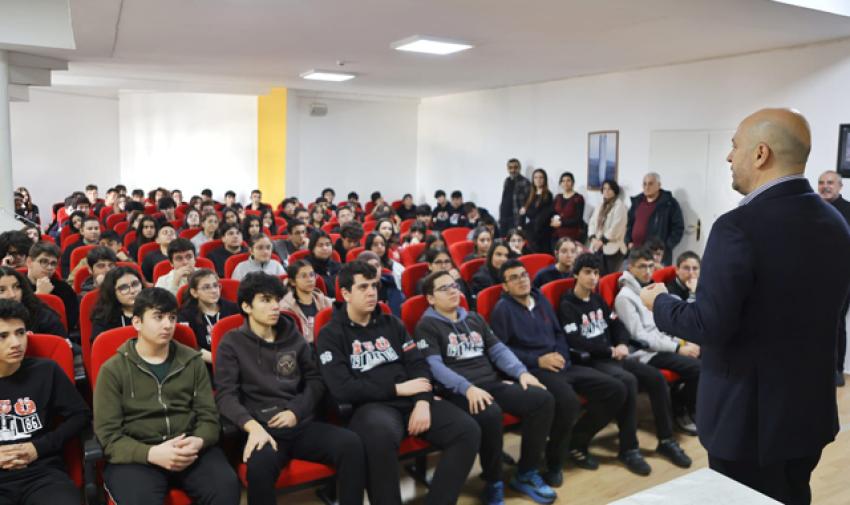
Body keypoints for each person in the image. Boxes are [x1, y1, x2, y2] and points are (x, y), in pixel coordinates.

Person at [641, 108, 850, 505]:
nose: (728, 156)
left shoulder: (738, 227)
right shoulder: (836, 223)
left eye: (734, 146)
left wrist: (659, 302)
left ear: (760, 154)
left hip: (749, 421)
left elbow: (709, 325)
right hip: (808, 412)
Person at [316, 260, 481, 505]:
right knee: (379, 439)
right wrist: (397, 389)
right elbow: (343, 388)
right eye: (363, 287)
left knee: (467, 430)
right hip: (370, 407)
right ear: (346, 294)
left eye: (374, 286)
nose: (372, 292)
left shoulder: (391, 323)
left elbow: (418, 364)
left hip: (411, 398)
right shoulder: (330, 334)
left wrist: (423, 402)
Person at [215, 272, 365, 504]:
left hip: (300, 422)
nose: (275, 306)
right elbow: (226, 396)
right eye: (265, 300)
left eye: (276, 299)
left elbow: (315, 379)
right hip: (264, 428)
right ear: (246, 306)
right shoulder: (231, 343)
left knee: (351, 444)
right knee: (260, 467)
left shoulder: (292, 334)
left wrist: (296, 411)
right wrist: (252, 427)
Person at [416, 271, 556, 504]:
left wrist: (521, 373)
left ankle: (526, 473)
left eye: (454, 285)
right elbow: (435, 367)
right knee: (490, 413)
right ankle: (493, 482)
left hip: (490, 382)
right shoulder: (427, 325)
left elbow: (498, 350)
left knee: (542, 399)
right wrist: (467, 387)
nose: (453, 291)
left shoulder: (474, 318)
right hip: (457, 391)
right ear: (431, 298)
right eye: (444, 288)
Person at [93, 288, 240, 505]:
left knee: (225, 488)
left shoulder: (192, 360)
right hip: (139, 455)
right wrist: (151, 453)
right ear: (137, 323)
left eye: (172, 317)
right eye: (158, 317)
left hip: (189, 447)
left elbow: (209, 416)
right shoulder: (113, 369)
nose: (168, 325)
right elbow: (109, 436)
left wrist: (198, 441)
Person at [488, 259, 625, 485]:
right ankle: (554, 463)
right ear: (504, 286)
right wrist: (538, 360)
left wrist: (561, 355)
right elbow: (502, 350)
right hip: (534, 369)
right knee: (569, 402)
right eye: (514, 278)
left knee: (616, 389)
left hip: (562, 363)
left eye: (523, 275)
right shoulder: (502, 310)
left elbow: (558, 332)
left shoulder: (540, 299)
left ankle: (575, 441)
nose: (521, 280)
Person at [561, 253, 692, 474]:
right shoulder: (567, 304)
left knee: (656, 378)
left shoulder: (597, 299)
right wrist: (609, 350)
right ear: (576, 275)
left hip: (614, 356)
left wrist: (621, 343)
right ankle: (629, 449)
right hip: (592, 361)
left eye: (596, 273)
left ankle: (666, 440)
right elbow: (575, 341)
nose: (593, 278)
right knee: (629, 381)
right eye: (587, 273)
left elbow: (617, 325)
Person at [0, 299, 91, 505]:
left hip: (42, 473)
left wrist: (38, 447)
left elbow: (81, 416)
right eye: (3, 336)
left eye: (20, 333)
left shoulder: (46, 370)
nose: (16, 343)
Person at [616, 248, 701, 435]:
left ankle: (692, 406)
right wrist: (678, 348)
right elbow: (640, 336)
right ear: (631, 268)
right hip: (646, 353)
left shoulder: (651, 288)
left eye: (650, 266)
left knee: (704, 357)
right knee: (698, 368)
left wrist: (684, 343)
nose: (647, 271)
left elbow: (664, 324)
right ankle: (680, 409)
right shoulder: (625, 297)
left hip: (664, 345)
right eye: (642, 267)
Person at [817, 170, 850, 386]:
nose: (825, 186)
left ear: (840, 186)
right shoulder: (811, 209)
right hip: (812, 276)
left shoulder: (848, 210)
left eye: (830, 182)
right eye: (821, 182)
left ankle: (836, 369)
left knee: (836, 322)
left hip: (842, 277)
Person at [177, 268, 239, 365]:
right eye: (206, 287)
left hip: (236, 360)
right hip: (203, 364)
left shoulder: (234, 309)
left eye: (216, 285)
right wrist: (219, 361)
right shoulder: (185, 315)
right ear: (194, 292)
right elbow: (189, 346)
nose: (214, 291)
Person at [625, 173, 684, 266]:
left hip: (656, 254)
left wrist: (665, 247)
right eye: (644, 184)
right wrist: (628, 241)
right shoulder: (637, 201)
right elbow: (629, 224)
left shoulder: (669, 203)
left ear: (659, 185)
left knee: (655, 275)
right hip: (635, 251)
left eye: (650, 184)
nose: (647, 187)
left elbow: (678, 228)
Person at [25, 242, 79, 331]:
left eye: (53, 263)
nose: (49, 267)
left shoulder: (64, 289)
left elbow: (68, 323)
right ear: (29, 262)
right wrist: (40, 296)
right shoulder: (17, 287)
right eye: (44, 262)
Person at [0, 267, 67, 338]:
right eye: (2, 290)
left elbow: (60, 343)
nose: (12, 295)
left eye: (16, 287)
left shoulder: (44, 318)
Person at [279, 260, 333, 343]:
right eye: (304, 276)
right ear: (292, 282)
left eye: (312, 275)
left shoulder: (325, 301)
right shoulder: (285, 308)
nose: (310, 280)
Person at [91, 266, 145, 341]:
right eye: (123, 287)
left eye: (135, 284)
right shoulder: (104, 319)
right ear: (112, 292)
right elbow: (100, 346)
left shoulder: (154, 310)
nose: (132, 291)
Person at [588, 179, 628, 275]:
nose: (606, 191)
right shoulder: (600, 205)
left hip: (613, 248)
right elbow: (592, 222)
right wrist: (592, 238)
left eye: (609, 189)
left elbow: (616, 227)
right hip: (597, 247)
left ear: (615, 191)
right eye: (604, 188)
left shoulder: (620, 206)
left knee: (609, 277)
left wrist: (602, 241)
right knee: (597, 275)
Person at [357, 251, 405, 317]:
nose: (374, 270)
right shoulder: (357, 293)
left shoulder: (392, 285)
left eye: (377, 265)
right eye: (369, 266)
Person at [522, 168, 555, 253]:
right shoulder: (529, 194)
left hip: (543, 232)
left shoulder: (548, 195)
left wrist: (527, 212)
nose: (538, 180)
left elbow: (544, 216)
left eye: (541, 177)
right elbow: (526, 212)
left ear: (545, 179)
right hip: (531, 231)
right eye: (536, 177)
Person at [499, 158, 532, 236]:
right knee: (503, 239)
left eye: (515, 167)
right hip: (504, 217)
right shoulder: (507, 180)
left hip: (516, 218)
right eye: (510, 168)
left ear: (519, 168)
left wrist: (522, 216)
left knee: (515, 239)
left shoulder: (525, 182)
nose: (513, 170)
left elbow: (529, 201)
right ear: (507, 169)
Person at [305, 230, 341, 299]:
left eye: (328, 244)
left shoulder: (337, 265)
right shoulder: (306, 268)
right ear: (312, 248)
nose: (325, 248)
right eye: (320, 245)